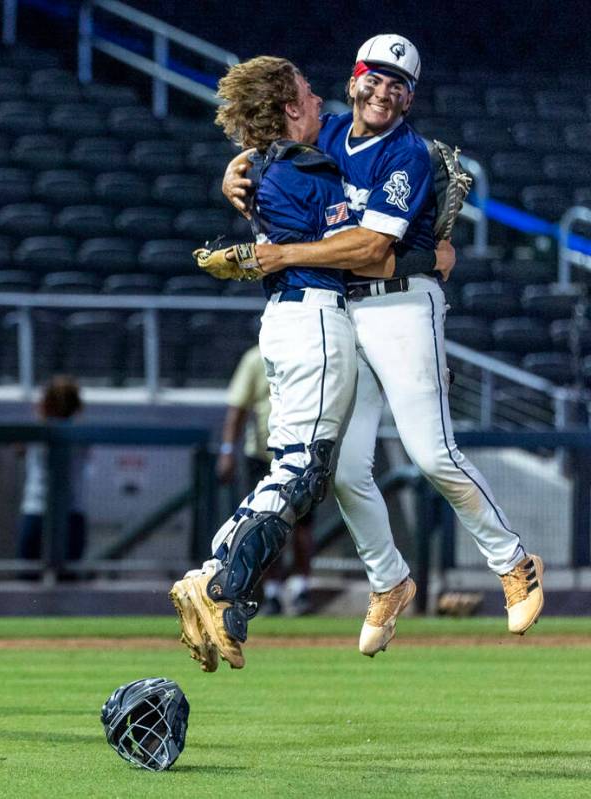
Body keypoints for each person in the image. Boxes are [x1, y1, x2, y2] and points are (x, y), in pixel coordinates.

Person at [220, 35, 544, 653]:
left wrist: (280, 253)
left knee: (431, 452)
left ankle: (514, 562)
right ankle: (389, 579)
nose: (384, 92)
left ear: (409, 99)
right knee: (342, 468)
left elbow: (371, 250)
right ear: (353, 79)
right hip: (344, 311)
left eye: (400, 85)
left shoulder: (409, 155)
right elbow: (267, 146)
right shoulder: (332, 131)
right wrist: (233, 170)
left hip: (401, 301)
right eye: (376, 76)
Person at [169, 56, 413, 673]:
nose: (320, 97)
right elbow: (374, 253)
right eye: (307, 90)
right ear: (289, 108)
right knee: (304, 470)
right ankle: (223, 587)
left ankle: (212, 575)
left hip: (285, 321)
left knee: (293, 467)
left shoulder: (265, 167)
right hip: (315, 321)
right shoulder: (302, 171)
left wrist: (239, 166)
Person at [218, 343, 314, 615]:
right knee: (266, 524)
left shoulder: (308, 351)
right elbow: (237, 408)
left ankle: (301, 587)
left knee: (303, 525)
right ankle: (271, 591)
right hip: (262, 455)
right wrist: (227, 450)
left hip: (302, 452)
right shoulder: (254, 358)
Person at [16, 376, 88, 571]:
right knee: (68, 583)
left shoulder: (36, 433)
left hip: (37, 511)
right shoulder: (83, 436)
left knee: (28, 580)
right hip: (72, 513)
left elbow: (19, 450)